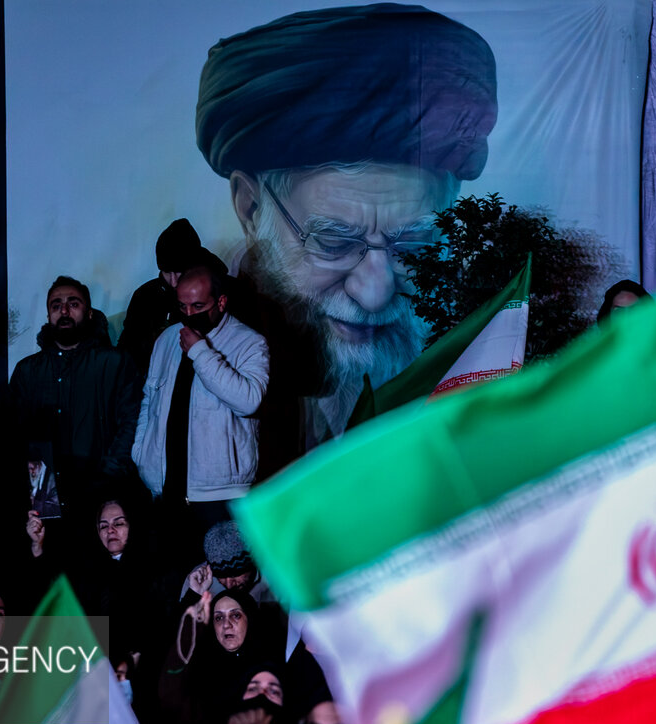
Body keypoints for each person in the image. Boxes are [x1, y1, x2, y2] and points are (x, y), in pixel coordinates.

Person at [196, 3, 497, 445]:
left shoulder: (485, 357)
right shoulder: (187, 341)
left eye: (414, 244)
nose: (375, 293)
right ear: (251, 208)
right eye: (334, 242)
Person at [132, 264, 268, 553]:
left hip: (220, 496)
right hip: (167, 491)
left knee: (224, 578)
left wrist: (199, 351)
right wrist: (142, 454)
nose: (189, 313)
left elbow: (248, 401)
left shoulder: (249, 343)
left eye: (198, 306)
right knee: (173, 577)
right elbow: (149, 400)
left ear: (221, 302)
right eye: (182, 306)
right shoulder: (167, 339)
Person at [9, 276, 141, 521]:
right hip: (45, 498)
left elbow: (131, 423)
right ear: (48, 315)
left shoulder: (115, 363)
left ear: (89, 313)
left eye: (73, 303)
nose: (64, 311)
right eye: (56, 305)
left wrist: (109, 475)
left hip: (103, 492)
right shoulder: (27, 371)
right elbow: (13, 433)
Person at [119, 219, 226, 371]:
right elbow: (127, 348)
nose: (174, 282)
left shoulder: (223, 289)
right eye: (167, 272)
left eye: (179, 272)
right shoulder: (145, 295)